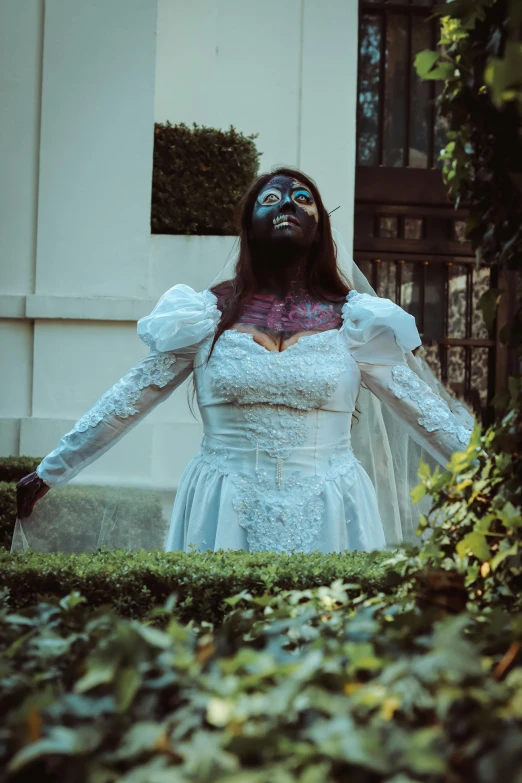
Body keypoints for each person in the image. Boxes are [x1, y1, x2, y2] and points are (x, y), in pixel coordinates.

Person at [15, 167, 474, 554]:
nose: (288, 205)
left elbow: (422, 411)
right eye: (271, 198)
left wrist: (491, 476)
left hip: (333, 505)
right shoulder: (203, 315)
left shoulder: (355, 319)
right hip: (223, 505)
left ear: (320, 227)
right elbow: (132, 396)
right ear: (249, 224)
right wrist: (51, 470)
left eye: (301, 199)